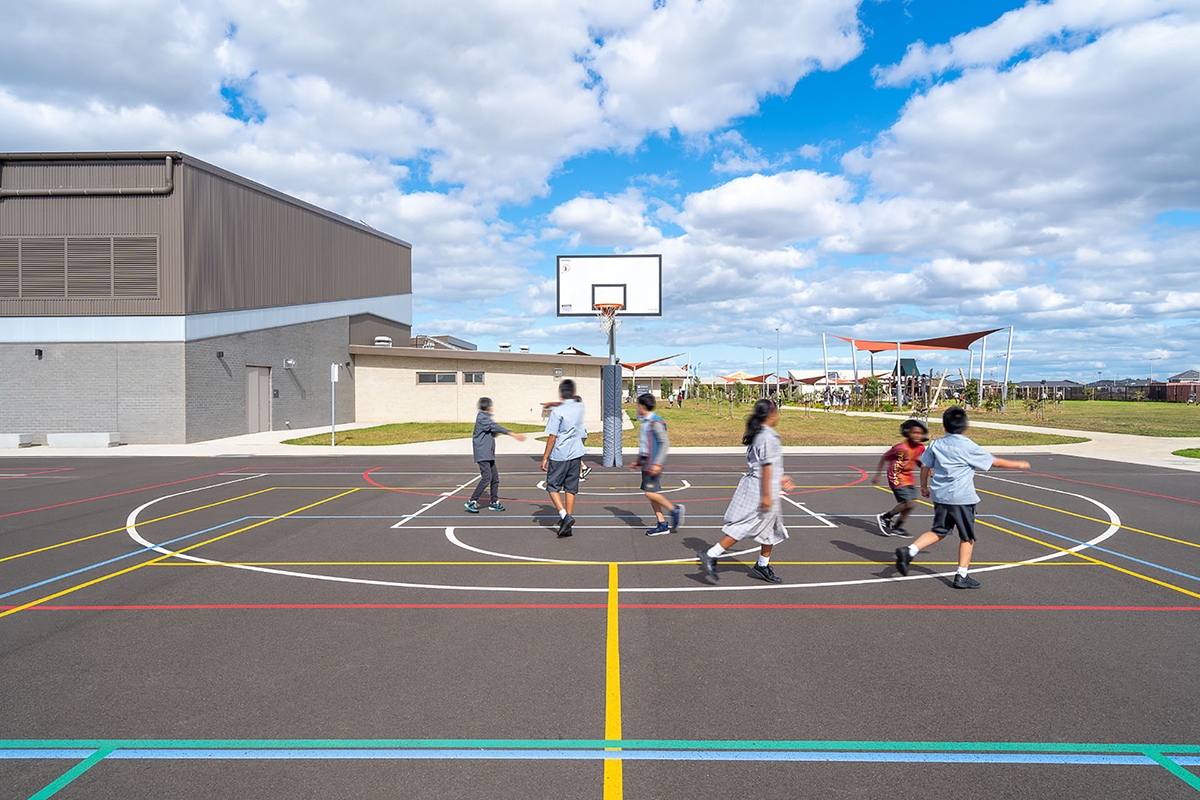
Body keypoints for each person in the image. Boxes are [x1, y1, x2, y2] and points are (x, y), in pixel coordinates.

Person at [894, 407, 1030, 589]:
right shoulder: (968, 445)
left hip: (941, 496)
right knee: (967, 537)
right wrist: (1018, 463)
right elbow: (993, 462)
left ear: (944, 427)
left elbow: (925, 466)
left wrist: (924, 487)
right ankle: (961, 575)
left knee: (939, 531)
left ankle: (910, 550)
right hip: (962, 498)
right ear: (965, 426)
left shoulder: (936, 444)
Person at [697, 399, 795, 583]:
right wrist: (766, 495)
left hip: (763, 484)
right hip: (760, 488)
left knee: (771, 528)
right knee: (746, 525)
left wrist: (781, 478)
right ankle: (711, 553)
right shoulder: (767, 436)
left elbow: (766, 464)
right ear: (771, 414)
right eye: (776, 412)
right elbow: (765, 466)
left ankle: (762, 565)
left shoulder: (761, 434)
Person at [632, 393, 684, 536]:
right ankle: (661, 523)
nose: (637, 408)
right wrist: (638, 460)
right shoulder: (646, 422)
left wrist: (657, 464)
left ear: (642, 406)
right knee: (651, 494)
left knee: (650, 492)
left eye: (638, 405)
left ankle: (674, 510)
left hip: (653, 465)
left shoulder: (655, 422)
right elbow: (645, 445)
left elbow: (664, 442)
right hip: (646, 463)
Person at [541, 379, 587, 537]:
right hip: (576, 453)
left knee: (552, 486)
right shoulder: (579, 408)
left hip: (561, 453)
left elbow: (552, 436)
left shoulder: (557, 412)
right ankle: (568, 523)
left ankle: (564, 515)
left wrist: (545, 457)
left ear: (561, 393)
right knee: (571, 488)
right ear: (574, 393)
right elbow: (569, 403)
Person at [464, 398, 526, 513]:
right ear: (488, 407)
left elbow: (492, 430)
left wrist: (495, 433)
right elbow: (495, 427)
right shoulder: (483, 417)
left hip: (488, 453)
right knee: (487, 477)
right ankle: (472, 501)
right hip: (483, 454)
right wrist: (513, 434)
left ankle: (493, 502)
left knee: (495, 478)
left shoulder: (485, 418)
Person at [872, 419, 928, 537]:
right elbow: (885, 457)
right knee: (907, 502)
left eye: (920, 433)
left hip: (908, 477)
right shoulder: (900, 448)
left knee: (911, 504)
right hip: (896, 476)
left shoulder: (920, 447)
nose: (917, 436)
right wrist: (878, 474)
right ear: (908, 433)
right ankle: (886, 516)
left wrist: (925, 467)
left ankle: (898, 527)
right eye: (915, 432)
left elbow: (915, 459)